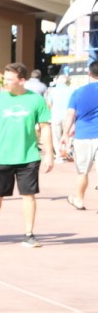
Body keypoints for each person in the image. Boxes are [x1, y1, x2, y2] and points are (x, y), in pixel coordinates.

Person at [0, 62, 53, 247]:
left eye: (10, 80)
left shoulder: (36, 100)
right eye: (4, 79)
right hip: (1, 156)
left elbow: (45, 127)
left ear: (22, 80)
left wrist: (48, 153)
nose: (5, 83)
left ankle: (28, 233)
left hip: (28, 156)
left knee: (29, 195)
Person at [60, 60, 98, 210]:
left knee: (82, 172)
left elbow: (70, 115)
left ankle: (79, 200)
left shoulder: (78, 92)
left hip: (82, 135)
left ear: (89, 74)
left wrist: (65, 134)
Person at [48, 74, 75, 161]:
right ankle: (67, 151)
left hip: (55, 115)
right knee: (68, 134)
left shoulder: (52, 90)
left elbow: (49, 104)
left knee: (56, 136)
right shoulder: (72, 90)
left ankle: (59, 155)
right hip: (68, 116)